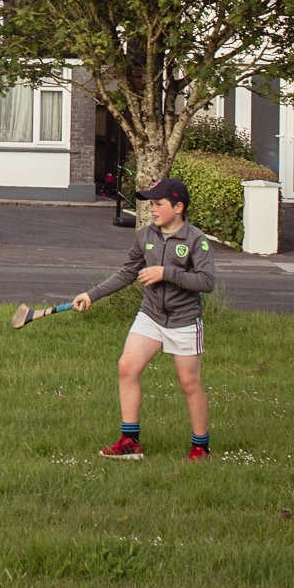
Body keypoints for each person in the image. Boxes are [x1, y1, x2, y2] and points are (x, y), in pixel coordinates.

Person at [72, 177, 218, 460]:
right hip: (151, 314)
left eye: (158, 204)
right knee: (127, 367)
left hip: (184, 319)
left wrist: (166, 273)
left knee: (189, 383)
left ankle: (200, 447)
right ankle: (130, 442)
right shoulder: (145, 236)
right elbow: (127, 273)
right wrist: (92, 295)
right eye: (151, 204)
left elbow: (207, 281)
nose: (152, 209)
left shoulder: (196, 240)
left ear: (178, 207)